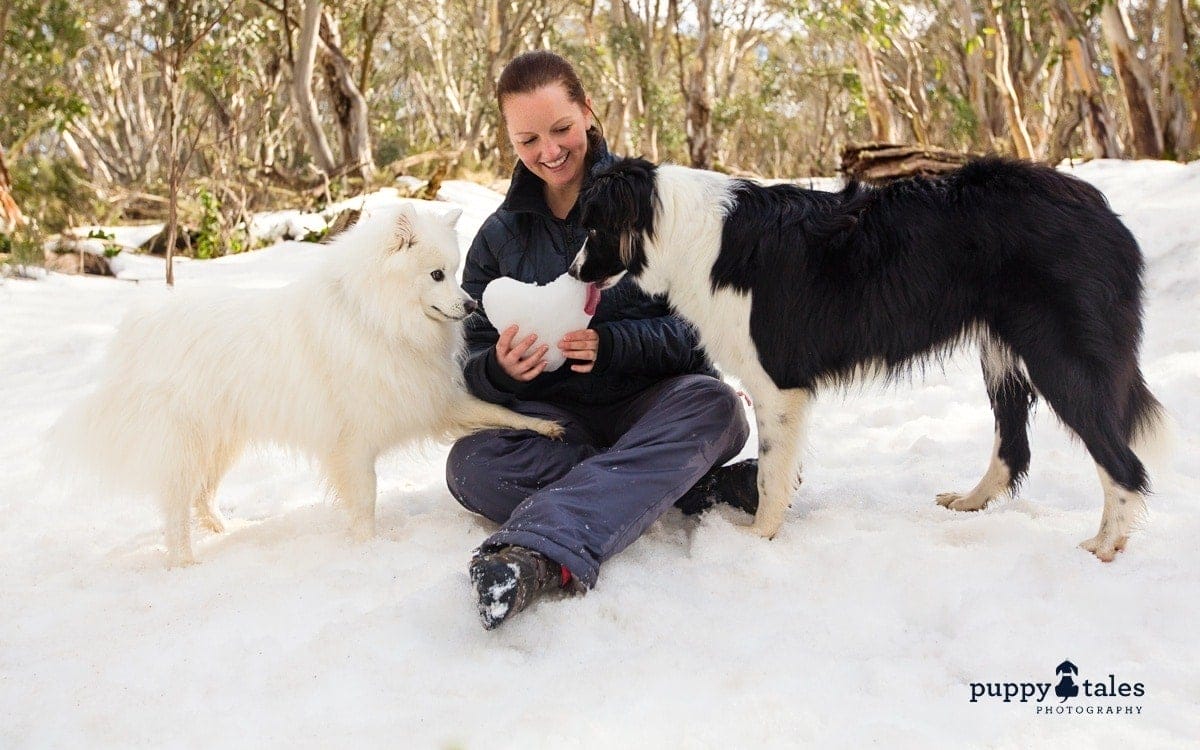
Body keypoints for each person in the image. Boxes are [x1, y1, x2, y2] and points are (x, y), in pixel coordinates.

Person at [447, 50, 758, 630]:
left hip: (652, 405)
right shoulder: (497, 237)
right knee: (470, 465)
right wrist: (500, 370)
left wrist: (613, 344)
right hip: (555, 421)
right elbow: (463, 358)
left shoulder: (656, 206)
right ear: (510, 140)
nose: (549, 151)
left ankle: (540, 554)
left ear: (588, 112)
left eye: (561, 128)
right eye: (528, 139)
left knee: (717, 409)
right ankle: (681, 485)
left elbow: (701, 336)